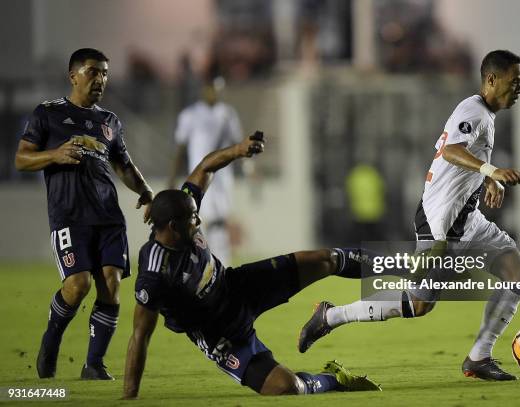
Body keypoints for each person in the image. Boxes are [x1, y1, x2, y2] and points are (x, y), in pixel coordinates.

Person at [299, 50, 520, 381]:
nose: (519, 88)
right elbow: (452, 151)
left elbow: (467, 156)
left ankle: (479, 357)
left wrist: (490, 179)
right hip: (442, 224)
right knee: (419, 303)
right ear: (492, 79)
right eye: (515, 81)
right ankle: (331, 316)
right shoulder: (473, 111)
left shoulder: (485, 115)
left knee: (518, 276)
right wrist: (493, 170)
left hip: (469, 220)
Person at [123, 131, 381, 398]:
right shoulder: (154, 275)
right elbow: (140, 335)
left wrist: (239, 150)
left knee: (325, 259)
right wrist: (129, 397)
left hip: (237, 286)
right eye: (193, 219)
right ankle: (333, 379)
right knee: (287, 387)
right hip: (219, 331)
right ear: (173, 227)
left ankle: (401, 265)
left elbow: (205, 167)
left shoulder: (181, 208)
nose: (199, 222)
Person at [14, 48, 154, 380]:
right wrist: (54, 154)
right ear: (73, 75)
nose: (101, 79)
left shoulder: (109, 122)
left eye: (105, 73)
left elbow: (123, 165)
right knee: (78, 285)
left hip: (108, 216)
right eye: (93, 72)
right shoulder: (47, 114)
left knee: (111, 284)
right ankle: (51, 341)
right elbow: (21, 159)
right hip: (68, 216)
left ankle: (94, 365)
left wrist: (146, 192)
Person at [168, 78, 242, 265]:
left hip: (223, 177)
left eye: (219, 90)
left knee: (220, 219)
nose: (215, 93)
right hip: (200, 176)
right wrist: (172, 177)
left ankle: (222, 262)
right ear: (204, 90)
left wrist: (248, 168)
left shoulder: (228, 114)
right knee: (199, 218)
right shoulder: (190, 114)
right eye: (212, 89)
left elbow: (237, 145)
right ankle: (201, 261)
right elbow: (180, 148)